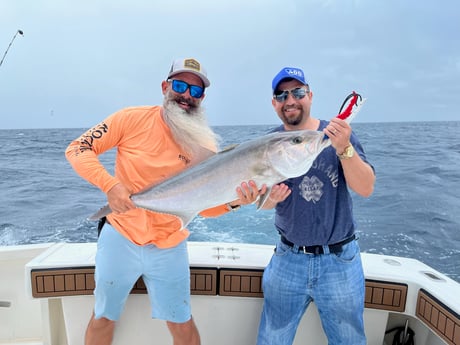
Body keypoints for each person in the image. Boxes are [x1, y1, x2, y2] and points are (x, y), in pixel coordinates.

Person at [65, 58, 263, 345]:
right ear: (165, 86)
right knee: (104, 316)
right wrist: (110, 185)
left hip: (169, 245)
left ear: (202, 98)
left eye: (195, 91)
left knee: (182, 324)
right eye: (180, 86)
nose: (186, 96)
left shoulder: (204, 147)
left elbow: (203, 207)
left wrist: (235, 202)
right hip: (121, 237)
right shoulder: (131, 118)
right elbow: (78, 149)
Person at [256, 67, 376, 345]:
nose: (290, 100)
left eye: (298, 92)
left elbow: (366, 187)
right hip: (288, 259)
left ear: (310, 96)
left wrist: (344, 148)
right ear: (274, 102)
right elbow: (260, 201)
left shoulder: (339, 135)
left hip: (339, 262)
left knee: (349, 340)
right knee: (272, 338)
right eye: (282, 94)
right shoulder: (268, 144)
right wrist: (268, 200)